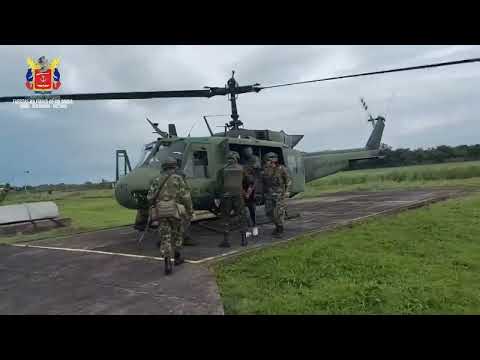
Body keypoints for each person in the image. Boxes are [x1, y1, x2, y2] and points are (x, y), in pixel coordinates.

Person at [147, 157, 193, 275]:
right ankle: (177, 257)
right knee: (178, 234)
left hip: (161, 211)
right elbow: (186, 196)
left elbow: (150, 197)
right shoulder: (178, 179)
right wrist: (190, 210)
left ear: (163, 167)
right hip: (175, 211)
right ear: (174, 166)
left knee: (165, 237)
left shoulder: (156, 179)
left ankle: (167, 264)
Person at [217, 151, 248, 248]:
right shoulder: (242, 168)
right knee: (241, 217)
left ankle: (226, 241)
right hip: (238, 196)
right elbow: (248, 181)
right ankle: (244, 240)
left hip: (226, 197)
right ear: (237, 158)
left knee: (225, 218)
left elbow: (219, 184)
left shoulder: (222, 169)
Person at [261, 152, 291, 238]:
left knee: (278, 213)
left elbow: (288, 181)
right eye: (266, 161)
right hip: (269, 195)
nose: (267, 163)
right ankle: (277, 226)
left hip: (279, 195)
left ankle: (280, 229)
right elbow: (263, 183)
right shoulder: (264, 170)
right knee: (269, 212)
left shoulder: (281, 169)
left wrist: (287, 192)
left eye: (268, 161)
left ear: (273, 161)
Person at [241, 147, 261, 236]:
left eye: (248, 151)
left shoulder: (255, 159)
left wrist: (248, 192)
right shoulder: (243, 163)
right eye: (245, 151)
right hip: (244, 191)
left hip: (252, 190)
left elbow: (253, 181)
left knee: (252, 209)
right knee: (244, 212)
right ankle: (248, 229)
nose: (246, 152)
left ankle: (255, 226)